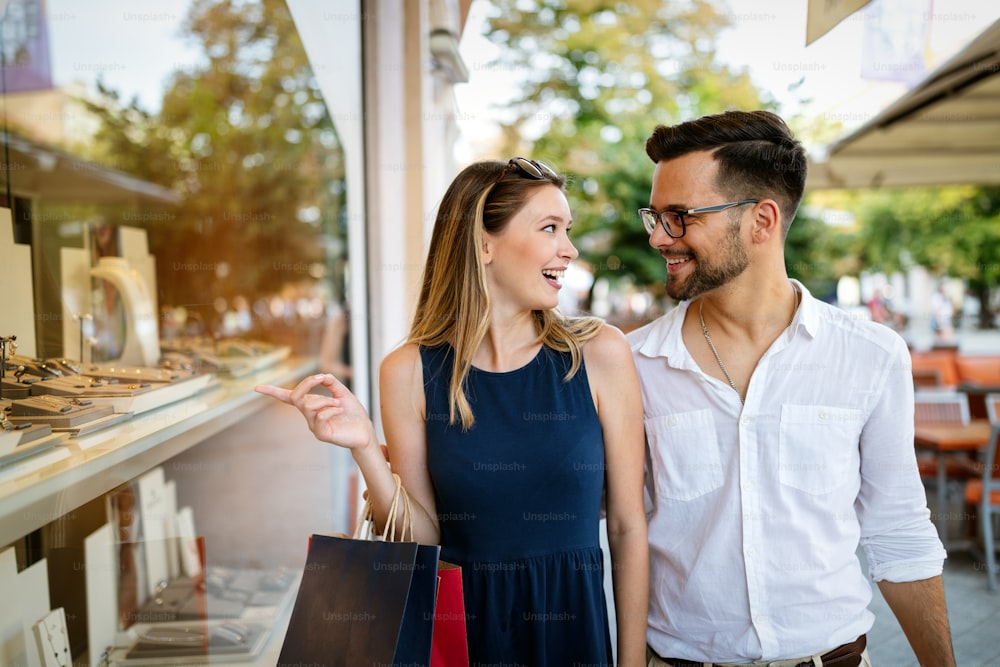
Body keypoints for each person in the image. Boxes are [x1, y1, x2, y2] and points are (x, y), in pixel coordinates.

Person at [257, 157, 648, 666]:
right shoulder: (407, 371)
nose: (568, 250)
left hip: (571, 636)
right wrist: (365, 451)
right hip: (460, 640)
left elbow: (626, 525)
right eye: (549, 228)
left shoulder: (599, 353)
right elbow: (423, 541)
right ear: (484, 243)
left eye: (566, 229)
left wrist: (632, 662)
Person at [627, 110, 954, 667]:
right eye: (655, 216)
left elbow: (897, 529)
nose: (660, 237)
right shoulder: (632, 364)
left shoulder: (870, 354)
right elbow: (615, 534)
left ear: (762, 220)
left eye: (680, 216)